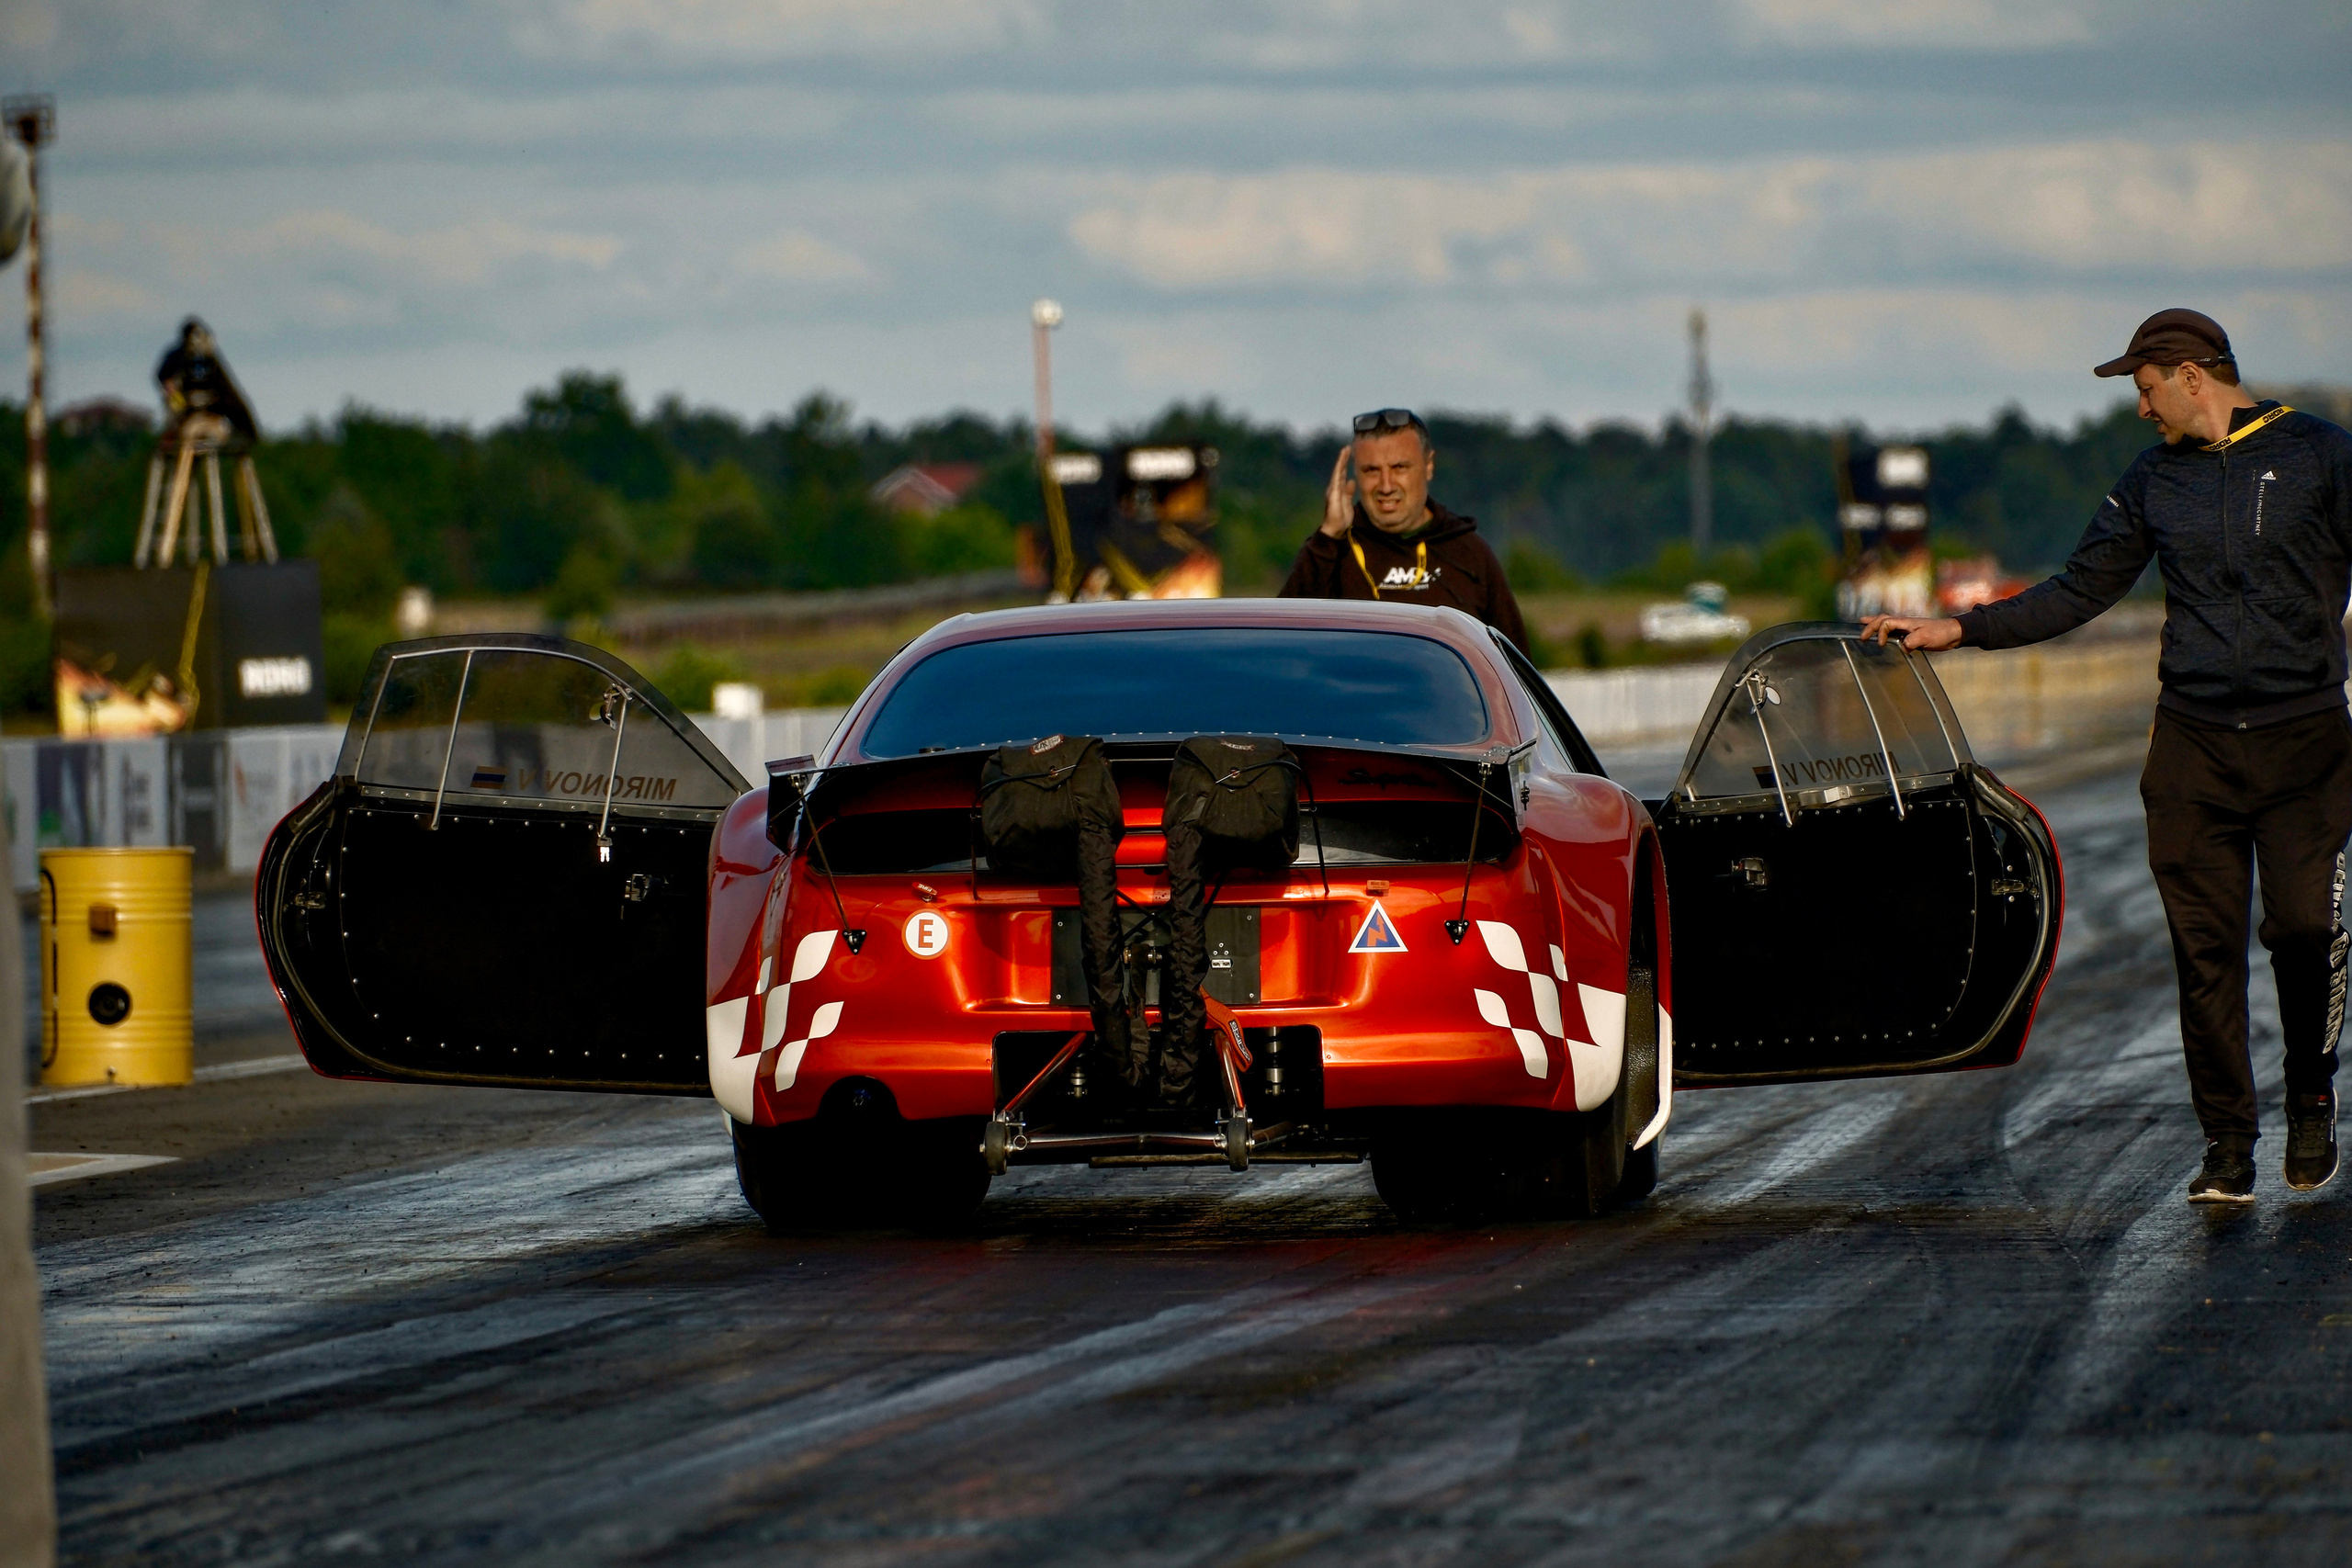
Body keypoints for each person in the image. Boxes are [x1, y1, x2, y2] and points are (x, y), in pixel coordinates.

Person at [1864, 308, 2352, 1204]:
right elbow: (2078, 589)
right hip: (2192, 747)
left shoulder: (2321, 456)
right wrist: (1959, 629)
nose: (2140, 408)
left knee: (2301, 930)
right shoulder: (2151, 482)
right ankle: (2229, 1145)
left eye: (2144, 387)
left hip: (2304, 739)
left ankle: (2311, 1089)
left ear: (2190, 375)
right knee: (2203, 953)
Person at [1280, 408, 1529, 650]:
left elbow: (1514, 671)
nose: (1386, 486)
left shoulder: (1469, 552)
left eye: (1399, 467)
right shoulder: (1330, 550)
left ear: (1429, 466)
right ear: (1355, 473)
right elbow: (1281, 642)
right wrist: (1329, 534)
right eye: (1372, 470)